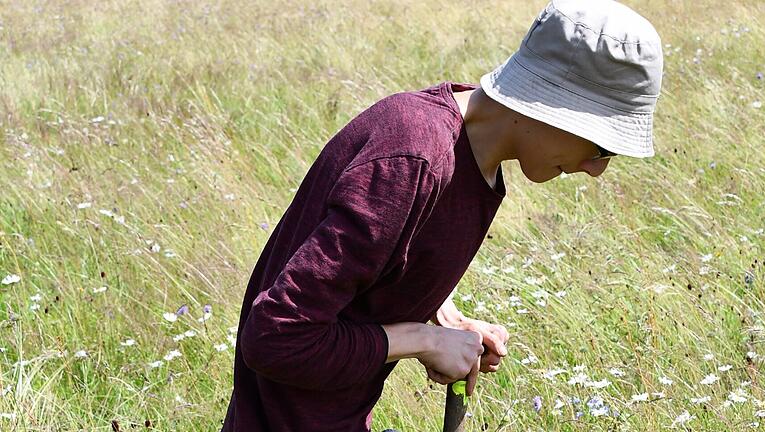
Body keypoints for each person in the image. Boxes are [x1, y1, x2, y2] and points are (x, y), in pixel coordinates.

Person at [221, 0, 663, 430]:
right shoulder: (413, 156)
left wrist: (442, 314)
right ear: (552, 104)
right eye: (603, 145)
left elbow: (385, 253)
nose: (597, 168)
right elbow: (276, 337)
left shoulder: (476, 162)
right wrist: (425, 341)